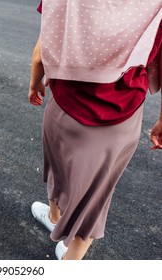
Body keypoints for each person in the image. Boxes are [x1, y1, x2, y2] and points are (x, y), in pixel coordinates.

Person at [28, 0, 162, 259]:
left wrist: (35, 83)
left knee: (58, 161)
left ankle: (54, 216)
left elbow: (40, 53)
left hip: (68, 98)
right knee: (95, 195)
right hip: (121, 113)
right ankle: (71, 259)